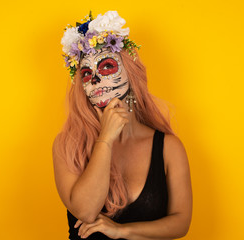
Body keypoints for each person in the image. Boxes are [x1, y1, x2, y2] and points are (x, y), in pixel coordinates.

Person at [52, 10, 192, 240]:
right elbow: (86, 211)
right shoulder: (67, 145)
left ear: (132, 74)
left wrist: (121, 231)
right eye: (86, 74)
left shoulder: (168, 147)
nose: (96, 79)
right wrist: (105, 139)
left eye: (107, 66)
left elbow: (180, 222)